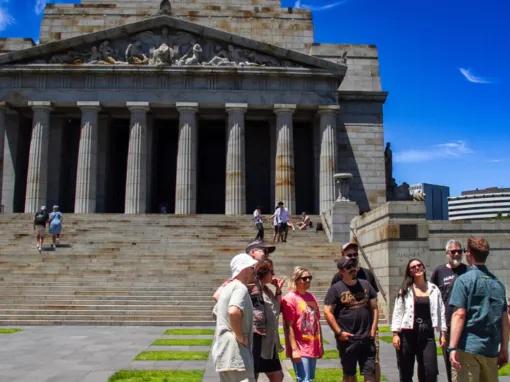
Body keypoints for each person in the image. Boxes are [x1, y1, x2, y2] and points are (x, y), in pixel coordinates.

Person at [448, 237, 509, 382]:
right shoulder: (498, 284)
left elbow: (459, 314)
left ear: (469, 254)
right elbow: (505, 319)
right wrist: (504, 349)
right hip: (491, 350)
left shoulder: (463, 280)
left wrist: (452, 348)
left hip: (467, 348)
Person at [331, 241, 382, 381]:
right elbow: (332, 306)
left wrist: (373, 328)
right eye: (349, 255)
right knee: (349, 369)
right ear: (343, 256)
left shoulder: (367, 274)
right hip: (347, 331)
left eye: (355, 254)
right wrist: (338, 331)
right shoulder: (338, 277)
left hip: (369, 329)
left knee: (373, 363)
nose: (353, 257)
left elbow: (374, 303)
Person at [391, 258, 447, 382]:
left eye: (419, 265)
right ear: (410, 272)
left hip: (427, 334)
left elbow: (440, 311)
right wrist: (395, 334)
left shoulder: (434, 289)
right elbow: (398, 312)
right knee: (405, 371)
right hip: (407, 333)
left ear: (423, 268)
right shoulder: (405, 290)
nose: (417, 268)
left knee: (430, 371)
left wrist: (443, 333)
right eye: (413, 267)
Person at [212, 253, 259, 382]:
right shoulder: (240, 288)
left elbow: (217, 312)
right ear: (244, 269)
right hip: (236, 353)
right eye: (252, 268)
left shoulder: (227, 288)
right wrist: (240, 336)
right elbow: (233, 311)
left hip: (223, 352)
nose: (254, 272)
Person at [430, 239, 468, 382]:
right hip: (447, 325)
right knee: (449, 360)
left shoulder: (468, 270)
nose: (457, 254)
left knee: (466, 362)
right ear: (447, 253)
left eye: (460, 251)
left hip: (466, 323)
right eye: (453, 251)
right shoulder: (439, 271)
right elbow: (433, 297)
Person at [281, 266, 323, 382]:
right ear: (296, 280)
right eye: (304, 278)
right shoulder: (290, 298)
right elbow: (288, 326)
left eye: (310, 278)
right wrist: (294, 350)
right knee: (304, 380)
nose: (308, 280)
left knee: (309, 379)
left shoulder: (311, 297)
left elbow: (317, 323)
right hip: (300, 347)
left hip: (313, 345)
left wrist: (320, 346)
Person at [252, 259, 285, 382]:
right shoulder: (253, 289)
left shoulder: (266, 289)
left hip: (269, 343)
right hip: (258, 342)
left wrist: (278, 289)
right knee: (252, 377)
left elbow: (277, 308)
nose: (274, 274)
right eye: (271, 271)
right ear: (263, 272)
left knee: (278, 376)